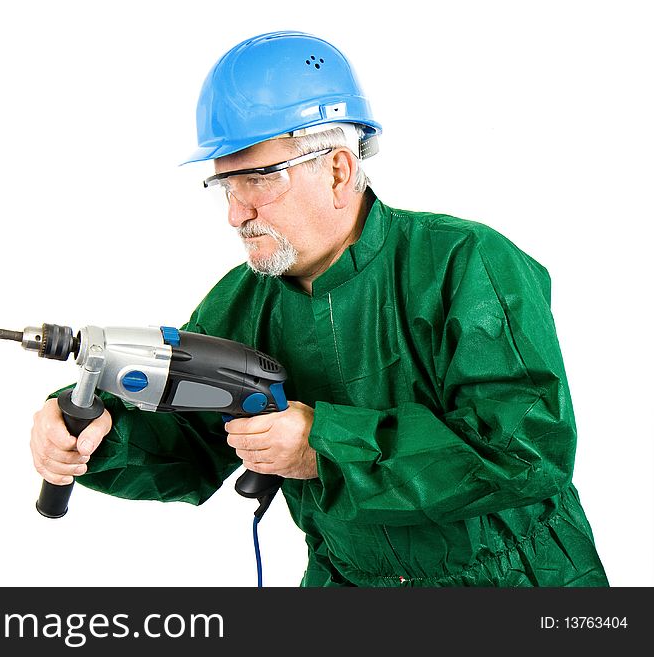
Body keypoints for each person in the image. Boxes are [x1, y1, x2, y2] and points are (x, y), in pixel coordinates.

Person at [29, 31, 608, 586]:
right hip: (346, 585)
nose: (237, 214)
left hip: (513, 583)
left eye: (257, 180)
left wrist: (321, 445)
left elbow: (526, 451)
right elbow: (191, 444)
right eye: (226, 186)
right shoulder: (240, 303)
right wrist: (99, 436)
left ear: (337, 169)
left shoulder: (465, 263)